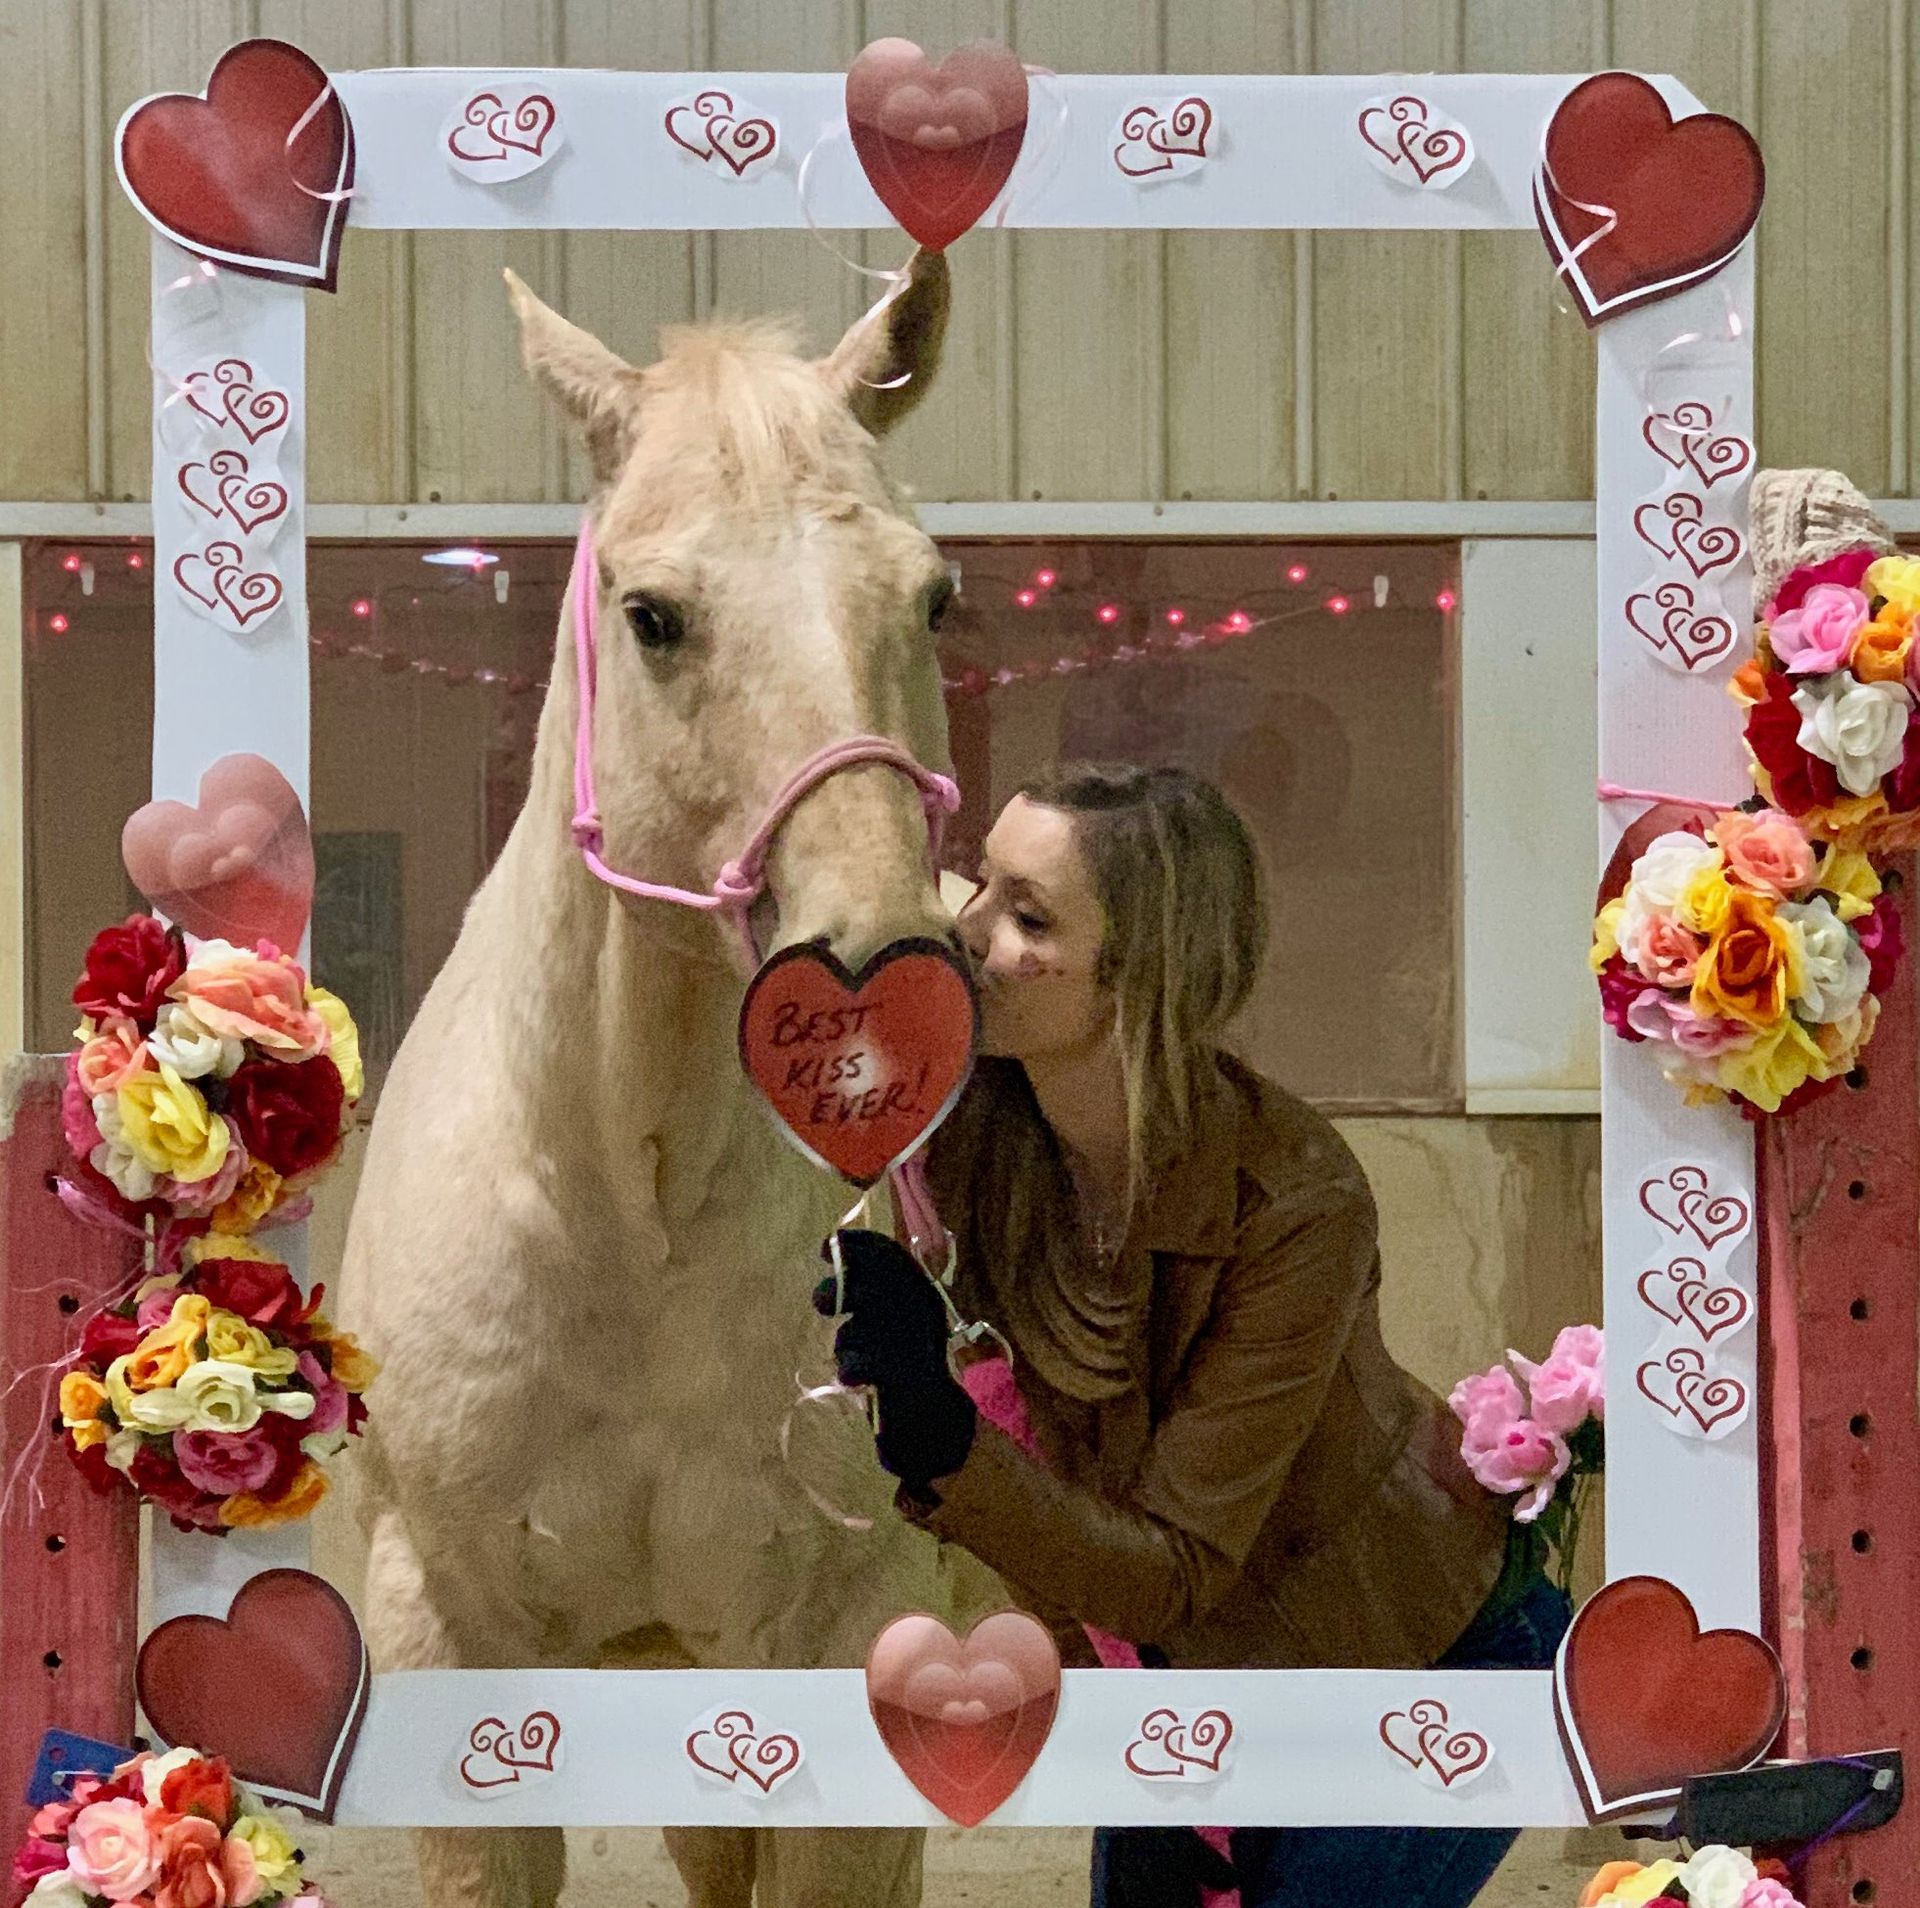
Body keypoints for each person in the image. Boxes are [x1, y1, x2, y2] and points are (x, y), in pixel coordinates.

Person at [814, 762, 1572, 1908]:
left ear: (1144, 977)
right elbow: (1065, 1477)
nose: (966, 933)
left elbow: (1172, 1564)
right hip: (1180, 1684)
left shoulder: (1296, 1200)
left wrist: (937, 1433)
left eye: (1026, 917)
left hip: (1422, 1669)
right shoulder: (975, 1145)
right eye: (980, 889)